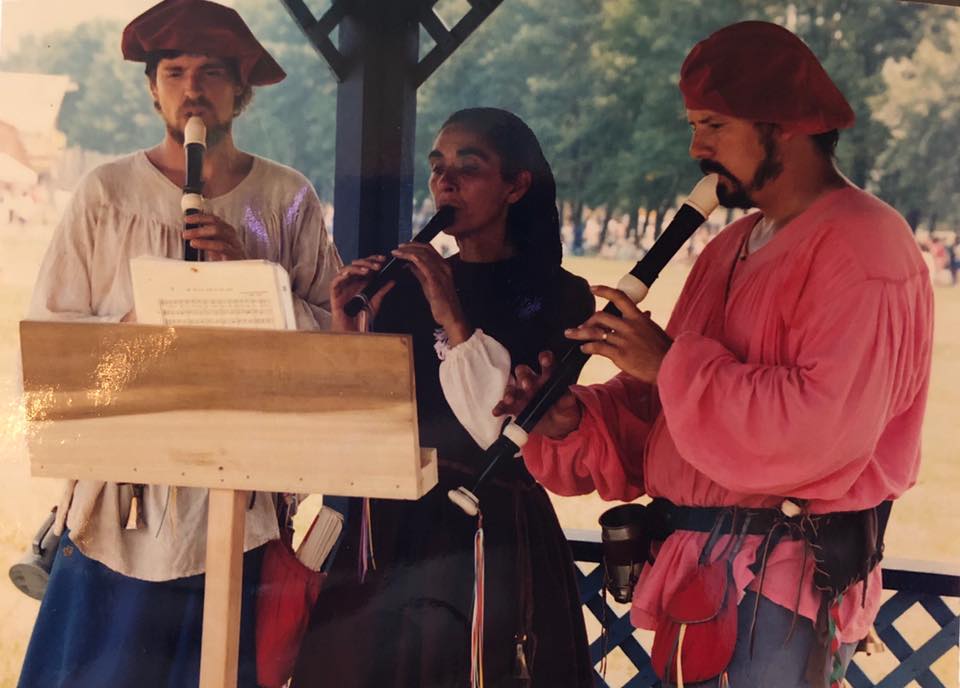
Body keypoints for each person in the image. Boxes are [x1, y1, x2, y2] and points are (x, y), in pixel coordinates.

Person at [496, 21, 933, 688]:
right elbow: (664, 414)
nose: (697, 147)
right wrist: (573, 418)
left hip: (779, 587)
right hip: (702, 578)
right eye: (694, 126)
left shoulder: (864, 245)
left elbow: (818, 433)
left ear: (783, 126)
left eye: (714, 126)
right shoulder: (730, 246)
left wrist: (670, 363)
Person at [18, 1, 341, 685]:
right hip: (121, 505)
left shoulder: (286, 197)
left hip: (241, 501)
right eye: (174, 73)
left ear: (240, 89)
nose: (192, 89)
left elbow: (336, 343)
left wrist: (254, 277)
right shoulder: (106, 193)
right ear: (152, 87)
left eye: (212, 73)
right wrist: (142, 319)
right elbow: (50, 348)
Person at [291, 108, 595, 687]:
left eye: (468, 168)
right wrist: (348, 329)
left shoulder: (559, 296)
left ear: (516, 185)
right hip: (394, 527)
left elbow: (501, 427)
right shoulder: (400, 286)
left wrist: (450, 312)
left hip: (493, 531)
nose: (445, 183)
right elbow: (367, 422)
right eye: (437, 168)